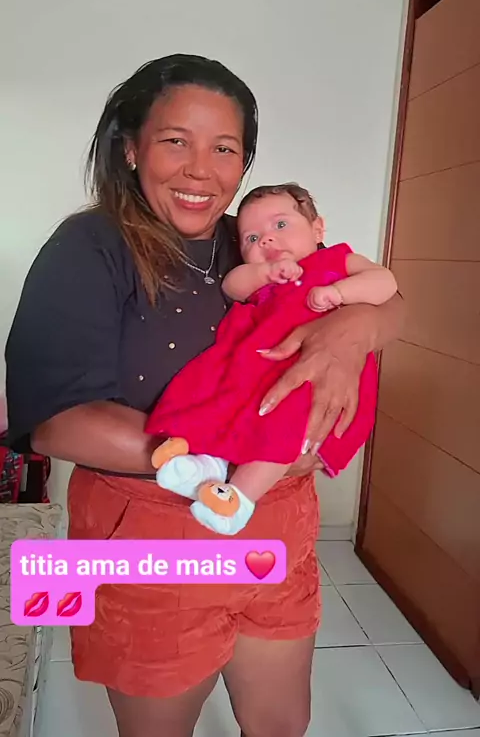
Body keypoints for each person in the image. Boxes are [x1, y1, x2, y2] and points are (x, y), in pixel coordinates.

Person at [5, 54, 404, 737]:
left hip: (279, 516)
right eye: (175, 141)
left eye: (224, 148)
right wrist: (223, 467)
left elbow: (393, 299)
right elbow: (57, 422)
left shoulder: (253, 240)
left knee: (281, 723)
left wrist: (352, 331)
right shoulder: (88, 246)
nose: (200, 171)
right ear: (130, 148)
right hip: (152, 529)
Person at [148, 182, 397, 535]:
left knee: (284, 420)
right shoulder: (263, 278)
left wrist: (340, 292)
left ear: (318, 229)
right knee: (213, 389)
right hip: (257, 362)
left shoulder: (336, 260)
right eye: (251, 238)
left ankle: (239, 499)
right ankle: (205, 464)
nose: (266, 239)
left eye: (280, 225)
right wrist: (266, 273)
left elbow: (385, 281)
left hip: (312, 369)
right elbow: (231, 285)